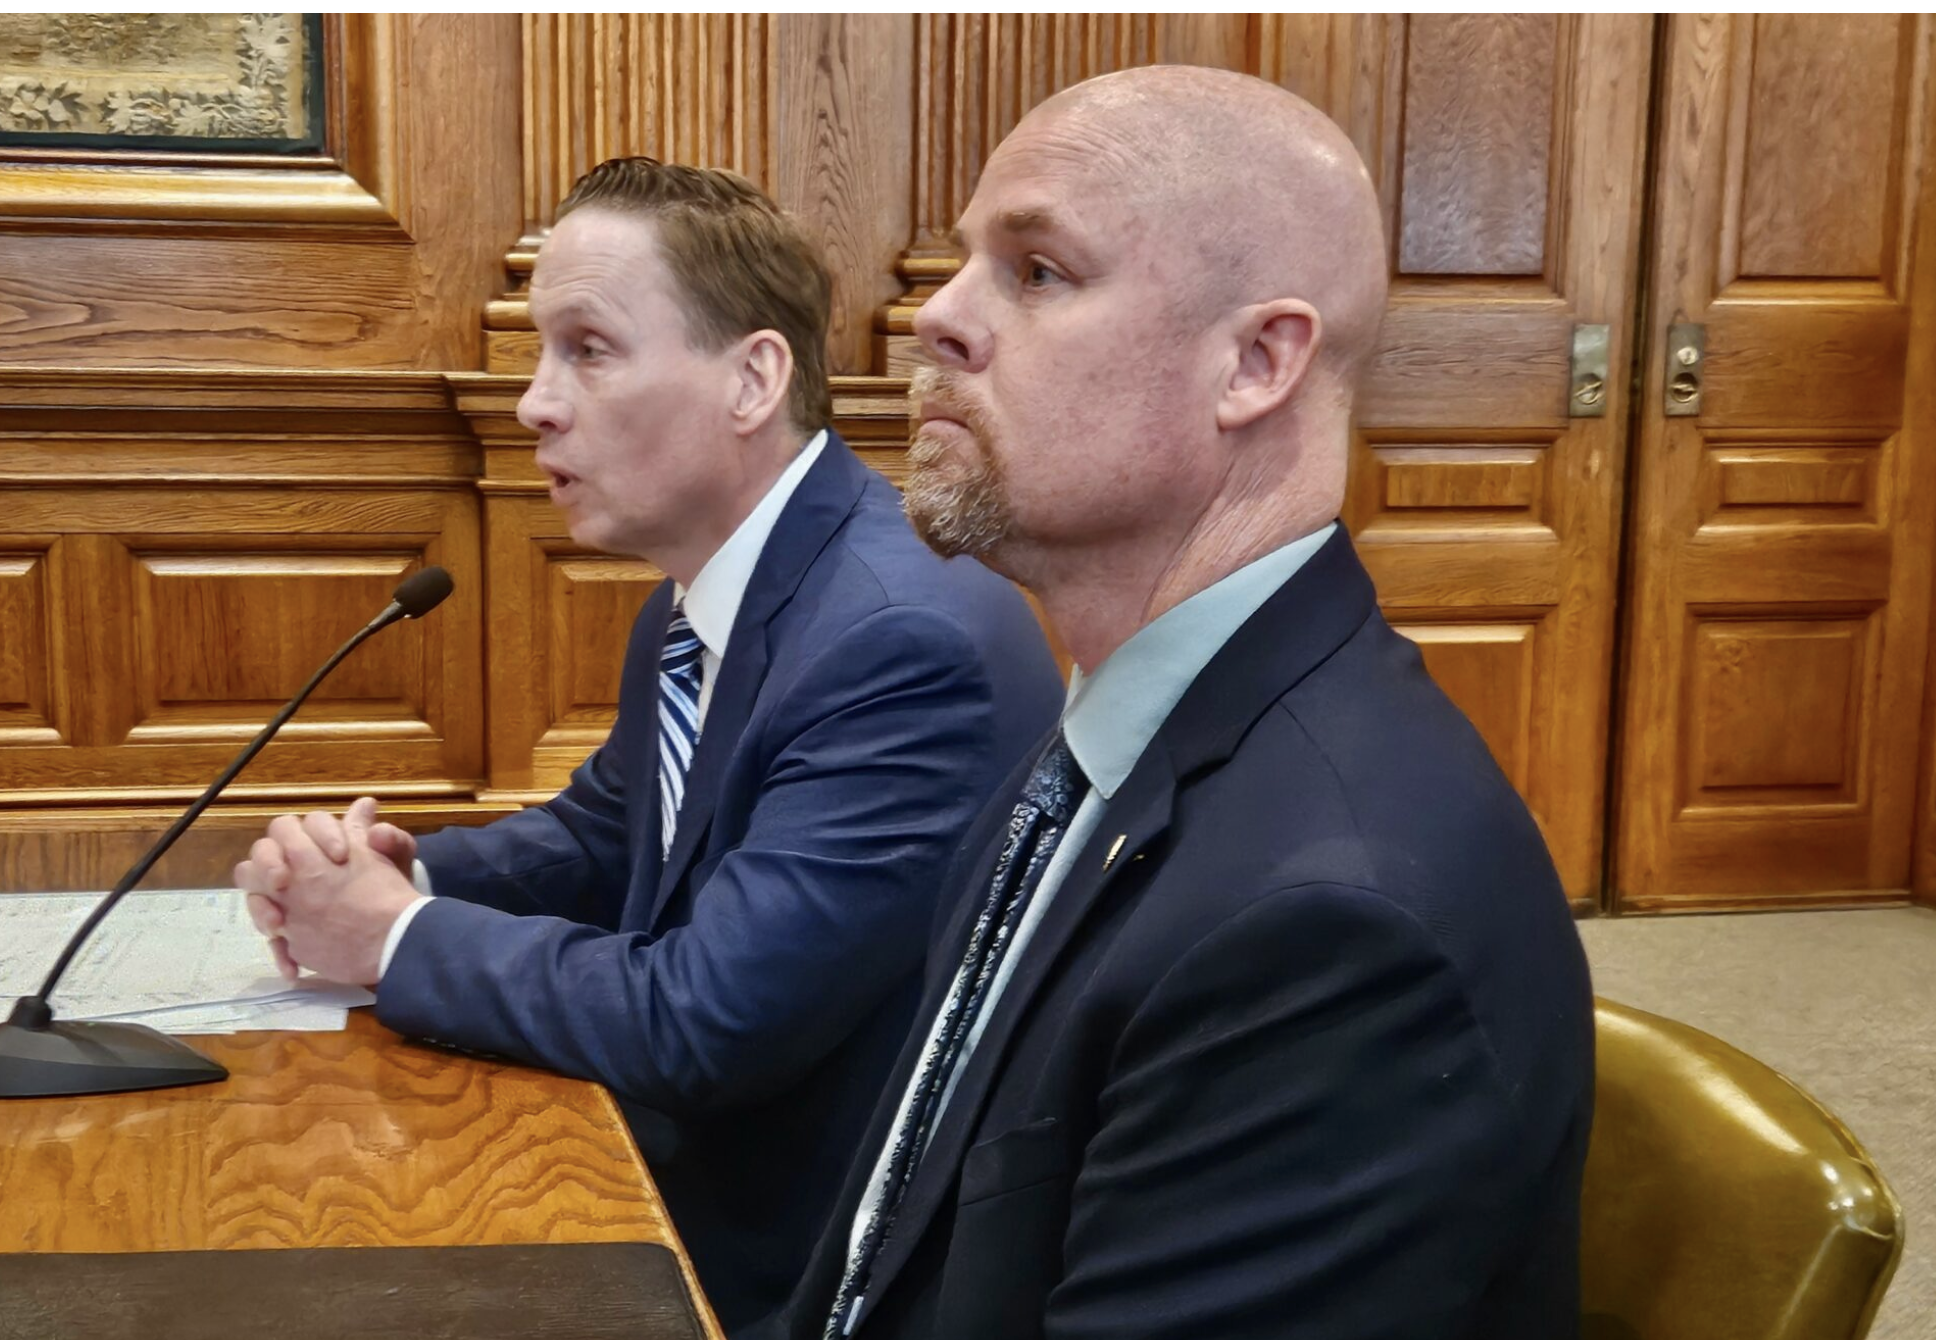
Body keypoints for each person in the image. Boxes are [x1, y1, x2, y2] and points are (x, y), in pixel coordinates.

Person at [760, 67, 1594, 1340]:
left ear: (1255, 361)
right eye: (965, 260)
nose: (936, 316)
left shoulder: (1330, 931)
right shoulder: (1101, 741)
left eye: (1036, 271)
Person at [232, 158, 1064, 1335]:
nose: (532, 403)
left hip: (795, 1264)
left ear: (751, 379)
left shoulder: (896, 640)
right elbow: (604, 829)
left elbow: (705, 1020)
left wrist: (393, 936)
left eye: (588, 347)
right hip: (682, 1173)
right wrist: (401, 872)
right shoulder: (713, 595)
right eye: (538, 351)